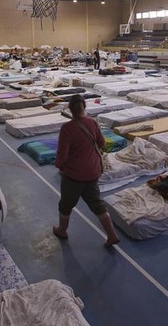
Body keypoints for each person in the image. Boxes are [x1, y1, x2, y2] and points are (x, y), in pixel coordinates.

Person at [53, 94, 120, 248]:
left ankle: (62, 230)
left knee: (66, 204)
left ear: (70, 109)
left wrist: (58, 165)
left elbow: (62, 156)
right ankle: (111, 235)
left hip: (74, 175)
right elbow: (102, 143)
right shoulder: (93, 123)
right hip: (93, 172)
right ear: (85, 107)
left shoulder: (67, 129)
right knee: (96, 203)